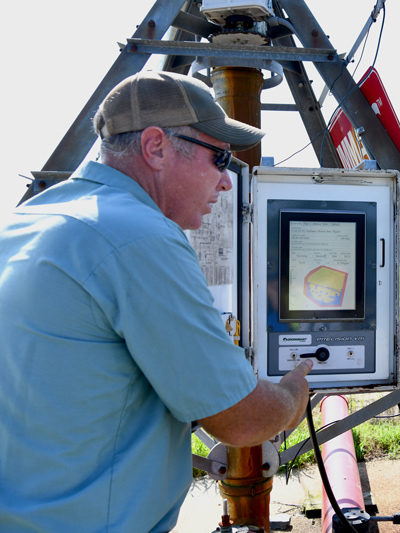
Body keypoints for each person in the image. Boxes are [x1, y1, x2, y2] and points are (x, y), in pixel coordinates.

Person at [0, 71, 312, 532]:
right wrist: (292, 395)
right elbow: (240, 422)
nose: (227, 182)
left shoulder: (29, 220)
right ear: (156, 147)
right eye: (220, 158)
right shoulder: (139, 236)